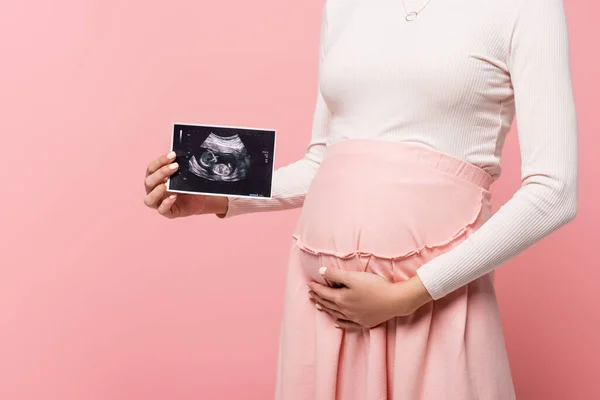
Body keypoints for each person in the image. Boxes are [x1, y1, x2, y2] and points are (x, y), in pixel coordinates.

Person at [143, 0, 578, 398]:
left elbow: (554, 191)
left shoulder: (525, 7)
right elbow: (325, 161)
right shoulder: (346, 4)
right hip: (324, 311)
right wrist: (220, 199)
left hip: (433, 307)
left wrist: (410, 294)